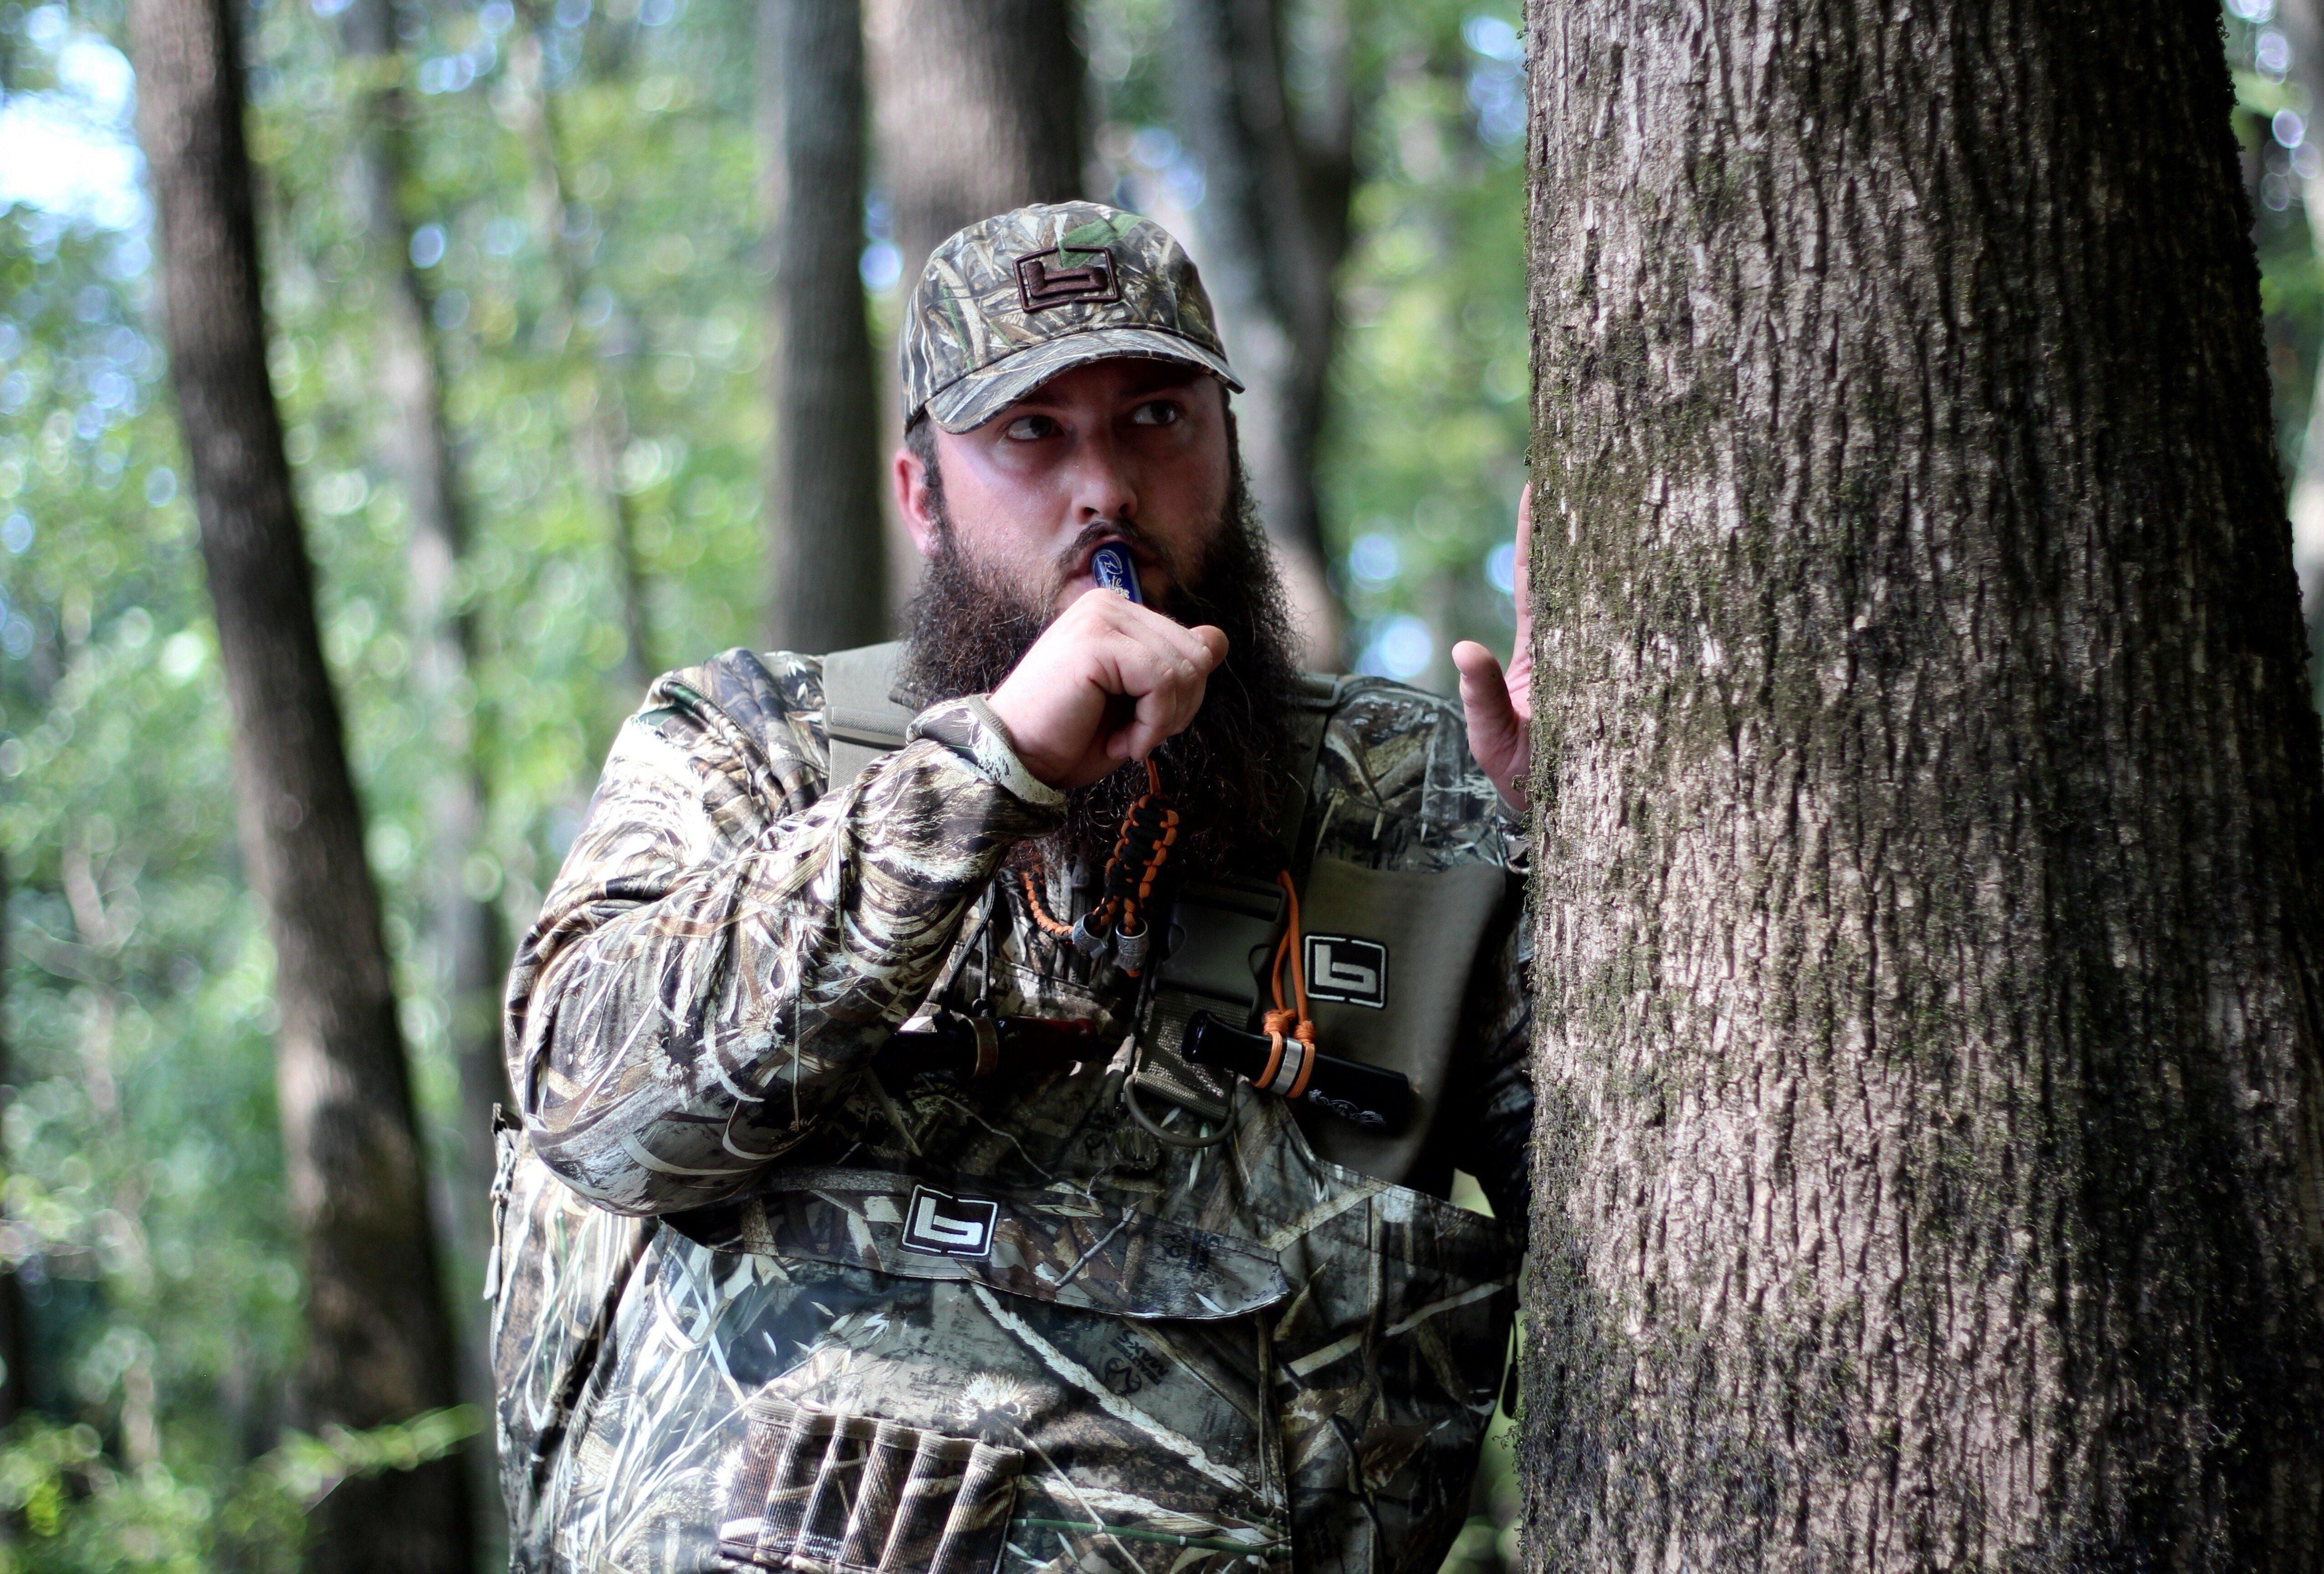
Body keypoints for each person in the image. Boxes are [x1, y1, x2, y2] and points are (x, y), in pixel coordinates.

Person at [489, 201, 1538, 1574]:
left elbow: (1652, 1216)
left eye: (1157, 417)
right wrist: (988, 769)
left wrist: (1590, 857)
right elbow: (584, 1099)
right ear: (922, 494)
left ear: (1228, 451)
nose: (1104, 488)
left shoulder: (1412, 795)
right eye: (1032, 433)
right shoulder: (748, 747)